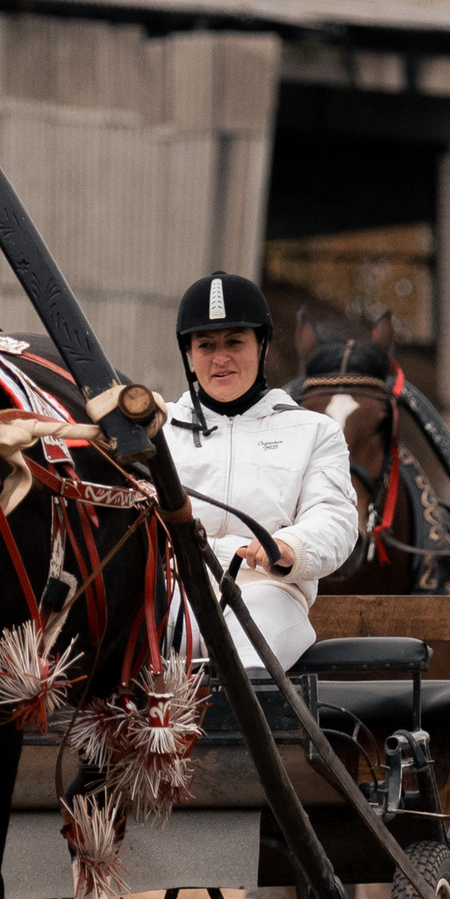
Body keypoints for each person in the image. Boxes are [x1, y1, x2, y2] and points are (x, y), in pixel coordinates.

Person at [162, 272, 359, 668]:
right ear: (189, 353)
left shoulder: (314, 431)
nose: (220, 358)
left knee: (245, 661)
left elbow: (334, 516)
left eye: (234, 342)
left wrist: (289, 546)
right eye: (206, 345)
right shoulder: (157, 429)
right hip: (166, 593)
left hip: (266, 589)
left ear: (262, 345)